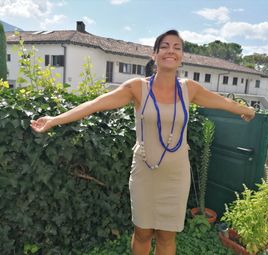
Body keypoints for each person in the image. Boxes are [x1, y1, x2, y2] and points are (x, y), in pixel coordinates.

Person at [31, 29, 255, 255]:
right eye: (165, 46)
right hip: (144, 171)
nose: (171, 51)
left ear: (182, 56)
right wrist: (54, 120)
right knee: (142, 233)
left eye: (177, 47)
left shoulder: (190, 89)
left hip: (176, 175)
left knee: (167, 236)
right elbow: (93, 105)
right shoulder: (138, 87)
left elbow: (223, 102)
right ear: (154, 55)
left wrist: (246, 110)